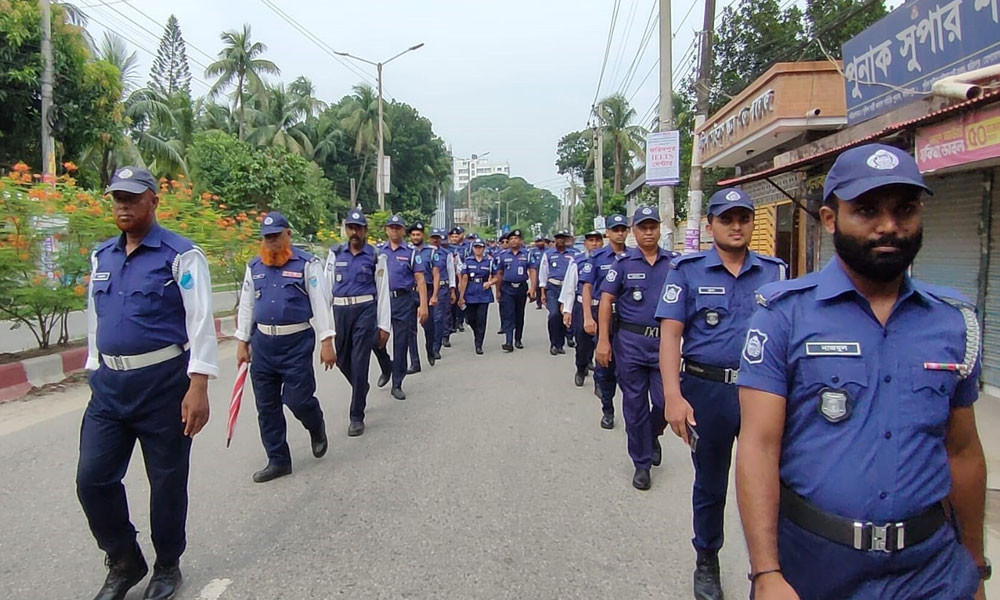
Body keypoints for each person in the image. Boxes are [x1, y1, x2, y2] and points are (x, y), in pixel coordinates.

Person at [736, 144, 989, 600]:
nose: (889, 226)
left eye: (905, 209)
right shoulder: (784, 317)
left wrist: (973, 563)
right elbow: (758, 447)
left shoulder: (954, 320)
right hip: (816, 565)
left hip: (930, 569)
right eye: (868, 210)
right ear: (830, 219)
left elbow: (963, 450)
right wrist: (766, 572)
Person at [78, 166, 218, 600]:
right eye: (117, 197)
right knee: (92, 479)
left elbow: (200, 323)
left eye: (132, 197)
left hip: (163, 385)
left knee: (166, 482)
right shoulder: (102, 256)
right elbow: (93, 319)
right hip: (110, 386)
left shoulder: (180, 255)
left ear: (153, 201)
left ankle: (167, 564)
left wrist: (199, 386)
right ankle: (124, 559)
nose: (122, 205)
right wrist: (93, 367)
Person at [654, 189, 786, 600]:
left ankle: (768, 568)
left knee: (773, 482)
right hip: (706, 391)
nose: (736, 226)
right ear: (709, 226)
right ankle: (706, 559)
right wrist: (673, 397)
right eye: (726, 219)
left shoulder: (775, 272)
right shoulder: (687, 270)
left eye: (743, 218)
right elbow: (670, 336)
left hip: (761, 393)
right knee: (711, 484)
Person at [235, 212, 337, 483]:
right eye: (266, 238)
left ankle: (315, 424)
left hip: (296, 342)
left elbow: (320, 302)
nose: (271, 243)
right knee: (266, 406)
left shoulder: (307, 264)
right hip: (263, 343)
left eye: (276, 236)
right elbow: (247, 305)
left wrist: (327, 340)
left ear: (287, 235)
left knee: (298, 399)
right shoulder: (254, 266)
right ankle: (278, 459)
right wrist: (242, 341)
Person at [595, 206, 678, 491]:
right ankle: (641, 464)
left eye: (653, 226)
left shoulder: (674, 264)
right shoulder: (623, 264)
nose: (648, 232)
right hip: (630, 343)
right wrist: (604, 341)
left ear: (659, 229)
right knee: (634, 405)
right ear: (634, 231)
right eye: (643, 227)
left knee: (666, 402)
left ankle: (653, 433)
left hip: (664, 346)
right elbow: (606, 301)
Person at [324, 210, 391, 437]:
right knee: (342, 359)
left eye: (358, 228)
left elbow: (382, 291)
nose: (354, 232)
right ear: (346, 230)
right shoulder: (335, 254)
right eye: (350, 228)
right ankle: (361, 386)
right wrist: (324, 327)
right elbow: (326, 289)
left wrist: (384, 325)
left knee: (360, 359)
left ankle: (356, 415)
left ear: (365, 230)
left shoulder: (375, 256)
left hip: (365, 308)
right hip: (341, 310)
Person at [371, 214, 429, 400]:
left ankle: (397, 383)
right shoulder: (378, 251)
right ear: (386, 229)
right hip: (381, 301)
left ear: (403, 230)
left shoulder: (411, 253)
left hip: (403, 301)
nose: (394, 230)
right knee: (374, 339)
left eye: (398, 227)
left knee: (401, 342)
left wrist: (424, 305)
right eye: (391, 227)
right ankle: (386, 366)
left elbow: (420, 280)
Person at [580, 215, 629, 429]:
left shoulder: (635, 257)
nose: (619, 233)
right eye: (614, 229)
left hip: (628, 318)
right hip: (602, 316)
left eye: (622, 229)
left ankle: (635, 418)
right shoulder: (597, 257)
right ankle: (607, 409)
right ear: (607, 233)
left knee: (629, 370)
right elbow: (587, 288)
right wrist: (588, 318)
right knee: (604, 367)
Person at [560, 230, 604, 386]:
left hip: (602, 307)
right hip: (581, 306)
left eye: (597, 240)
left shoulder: (610, 260)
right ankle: (581, 368)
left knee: (601, 341)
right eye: (591, 240)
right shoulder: (577, 262)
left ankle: (601, 378)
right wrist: (567, 310)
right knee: (582, 341)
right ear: (585, 243)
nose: (594, 243)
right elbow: (570, 287)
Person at [406, 221, 440, 370]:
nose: (415, 237)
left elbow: (436, 274)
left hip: (428, 291)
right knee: (409, 328)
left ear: (423, 235)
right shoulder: (406, 251)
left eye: (418, 234)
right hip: (409, 293)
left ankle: (430, 349)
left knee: (428, 325)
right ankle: (415, 362)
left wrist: (435, 295)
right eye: (413, 234)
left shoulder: (431, 251)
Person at [539, 230, 577, 355]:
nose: (560, 240)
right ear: (555, 239)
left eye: (563, 238)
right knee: (554, 314)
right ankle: (553, 343)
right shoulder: (548, 254)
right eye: (558, 238)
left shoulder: (573, 254)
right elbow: (543, 273)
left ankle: (560, 344)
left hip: (567, 289)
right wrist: (542, 292)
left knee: (564, 316)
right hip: (553, 287)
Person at [495, 229, 531, 351]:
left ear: (520, 240)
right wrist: (498, 290)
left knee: (519, 314)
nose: (514, 241)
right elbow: (499, 274)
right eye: (511, 239)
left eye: (516, 238)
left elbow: (532, 271)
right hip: (507, 287)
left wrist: (533, 288)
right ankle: (508, 341)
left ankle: (518, 339)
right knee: (508, 314)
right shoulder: (503, 255)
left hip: (521, 287)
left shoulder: (526, 254)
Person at [458, 237, 495, 355]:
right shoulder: (468, 261)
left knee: (481, 319)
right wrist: (461, 296)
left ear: (484, 249)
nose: (478, 250)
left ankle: (479, 344)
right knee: (470, 318)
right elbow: (464, 279)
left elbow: (497, 276)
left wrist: (490, 282)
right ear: (473, 249)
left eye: (480, 247)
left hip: (484, 293)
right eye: (476, 247)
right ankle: (476, 332)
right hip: (470, 291)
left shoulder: (489, 261)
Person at [427, 229, 455, 361]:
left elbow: (451, 272)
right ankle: (429, 343)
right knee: (429, 320)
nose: (435, 240)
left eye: (437, 238)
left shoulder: (446, 254)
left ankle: (435, 347)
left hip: (442, 288)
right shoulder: (424, 252)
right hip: (427, 288)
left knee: (438, 319)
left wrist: (452, 289)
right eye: (433, 237)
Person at [530, 236, 548, 310]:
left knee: (546, 287)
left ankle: (546, 301)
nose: (539, 243)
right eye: (537, 241)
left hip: (546, 271)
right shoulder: (533, 251)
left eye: (540, 241)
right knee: (538, 287)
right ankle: (539, 303)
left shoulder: (548, 251)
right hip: (537, 270)